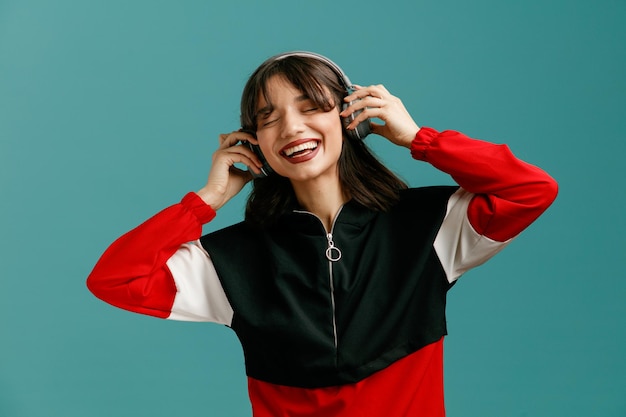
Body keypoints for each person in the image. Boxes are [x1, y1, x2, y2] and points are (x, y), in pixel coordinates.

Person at [86, 51, 558, 416]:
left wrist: (419, 139)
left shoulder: (430, 225)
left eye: (311, 106)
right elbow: (115, 279)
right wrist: (206, 200)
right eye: (267, 118)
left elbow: (531, 190)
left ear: (349, 117)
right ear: (253, 143)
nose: (291, 127)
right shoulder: (230, 260)